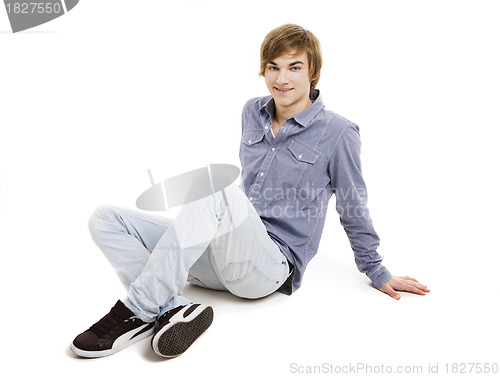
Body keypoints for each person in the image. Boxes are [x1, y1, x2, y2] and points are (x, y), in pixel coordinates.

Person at [70, 24, 430, 359]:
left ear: (313, 73)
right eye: (273, 67)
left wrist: (377, 270)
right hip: (220, 253)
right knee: (106, 218)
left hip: (269, 266)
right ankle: (171, 309)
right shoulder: (252, 112)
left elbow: (353, 203)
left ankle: (137, 310)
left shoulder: (338, 132)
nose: (281, 78)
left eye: (294, 68)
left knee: (214, 186)